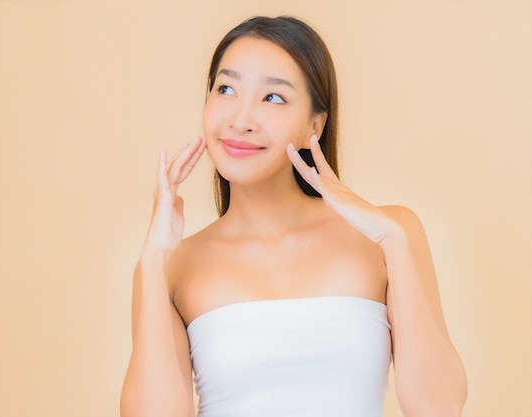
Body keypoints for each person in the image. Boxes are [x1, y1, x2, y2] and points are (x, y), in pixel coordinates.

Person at [120, 15, 467, 417]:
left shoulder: (389, 234)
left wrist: (392, 238)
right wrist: (154, 259)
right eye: (226, 89)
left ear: (313, 128)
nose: (239, 120)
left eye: (272, 98)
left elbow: (438, 408)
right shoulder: (170, 264)